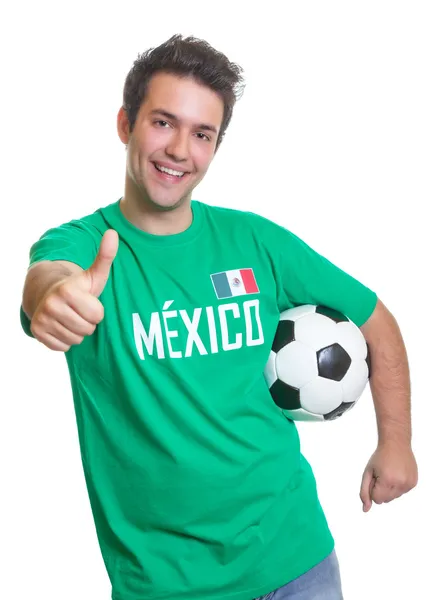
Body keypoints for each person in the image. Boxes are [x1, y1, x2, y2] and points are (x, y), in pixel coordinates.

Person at [20, 34, 418, 600]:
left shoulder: (254, 240)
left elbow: (376, 318)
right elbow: (48, 276)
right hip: (167, 584)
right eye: (162, 123)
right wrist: (53, 297)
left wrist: (396, 443)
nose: (180, 149)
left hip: (298, 559)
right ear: (124, 124)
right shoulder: (85, 244)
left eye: (201, 134)